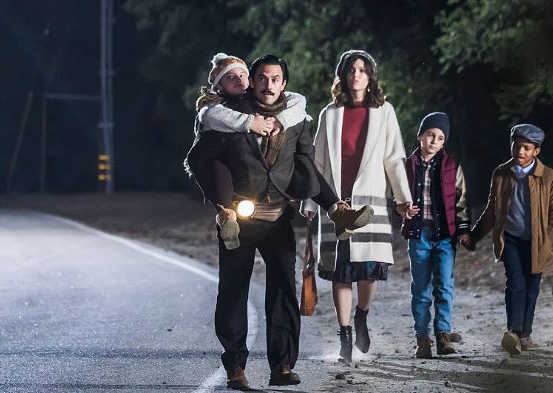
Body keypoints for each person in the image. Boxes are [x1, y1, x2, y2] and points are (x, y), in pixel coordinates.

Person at [186, 54, 328, 389]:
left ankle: (283, 365)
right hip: (238, 219)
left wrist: (322, 201)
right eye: (262, 77)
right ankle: (236, 366)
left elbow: (306, 161)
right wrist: (220, 205)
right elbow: (197, 159)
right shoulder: (228, 119)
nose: (268, 84)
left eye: (275, 79)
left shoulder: (293, 115)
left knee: (283, 290)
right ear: (253, 81)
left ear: (283, 83)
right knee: (234, 290)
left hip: (279, 217)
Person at [192, 52, 374, 251]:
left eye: (242, 75)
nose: (239, 80)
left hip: (279, 202)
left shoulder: (286, 108)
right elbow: (209, 117)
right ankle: (226, 215)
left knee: (303, 162)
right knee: (219, 164)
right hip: (240, 199)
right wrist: (249, 122)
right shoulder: (219, 110)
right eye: (230, 77)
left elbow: (298, 102)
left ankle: (339, 212)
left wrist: (282, 121)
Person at [302, 49, 414, 364]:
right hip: (336, 203)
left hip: (371, 203)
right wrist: (310, 201)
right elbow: (317, 163)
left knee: (369, 270)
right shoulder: (330, 113)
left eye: (363, 70)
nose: (357, 75)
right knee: (341, 272)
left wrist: (403, 198)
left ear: (370, 76)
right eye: (351, 69)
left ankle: (361, 314)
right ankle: (345, 334)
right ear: (343, 75)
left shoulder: (384, 112)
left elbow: (394, 157)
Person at [464, 124, 553, 355]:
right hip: (510, 238)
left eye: (526, 148)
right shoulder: (501, 173)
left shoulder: (548, 176)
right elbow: (492, 210)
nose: (520, 151)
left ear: (536, 151)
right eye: (516, 146)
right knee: (516, 283)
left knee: (532, 288)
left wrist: (550, 237)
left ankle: (524, 334)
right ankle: (513, 332)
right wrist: (475, 236)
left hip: (538, 242)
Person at [401, 112, 470, 358]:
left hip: (445, 237)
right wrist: (401, 208)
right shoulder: (407, 166)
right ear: (420, 135)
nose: (434, 141)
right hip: (418, 234)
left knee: (444, 286)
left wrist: (463, 230)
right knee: (421, 290)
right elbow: (396, 196)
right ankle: (422, 339)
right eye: (430, 135)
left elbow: (461, 201)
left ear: (444, 142)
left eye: (440, 138)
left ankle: (443, 335)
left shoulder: (452, 166)